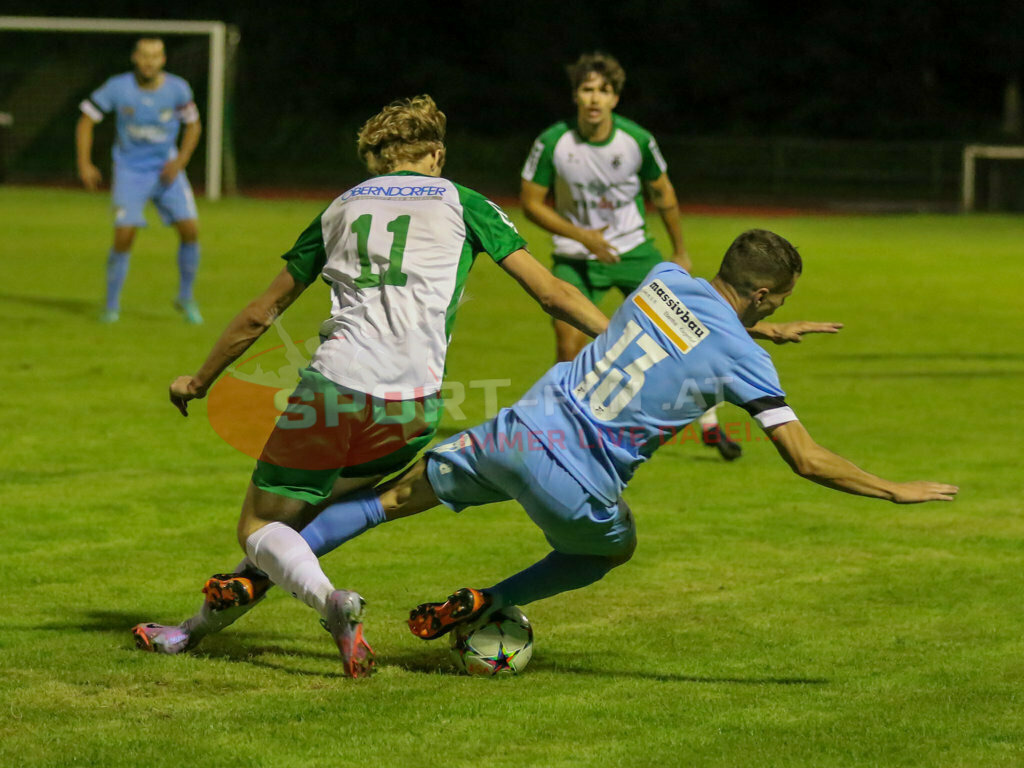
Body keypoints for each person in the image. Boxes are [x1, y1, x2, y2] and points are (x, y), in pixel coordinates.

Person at [139, 229, 957, 666]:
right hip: (573, 482)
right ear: (771, 295)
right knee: (612, 548)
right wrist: (894, 489)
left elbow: (687, 330)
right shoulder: (747, 356)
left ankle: (234, 594)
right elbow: (806, 459)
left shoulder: (666, 281)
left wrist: (757, 328)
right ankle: (485, 603)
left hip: (507, 433)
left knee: (378, 503)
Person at [131, 95, 609, 677]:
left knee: (260, 528)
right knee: (302, 527)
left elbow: (263, 311)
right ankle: (192, 630)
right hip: (413, 410)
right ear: (435, 153)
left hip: (335, 392)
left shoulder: (343, 205)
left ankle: (332, 605)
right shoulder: (466, 202)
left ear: (381, 160)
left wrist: (199, 379)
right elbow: (552, 294)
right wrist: (620, 334)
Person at [520, 52, 840, 461]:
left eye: (604, 90)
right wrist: (581, 235)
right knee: (569, 343)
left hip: (631, 249)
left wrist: (680, 250)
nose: (595, 99)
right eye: (587, 89)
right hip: (576, 255)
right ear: (575, 95)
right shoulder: (553, 142)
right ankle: (567, 430)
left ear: (616, 98)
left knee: (692, 327)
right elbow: (531, 204)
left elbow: (664, 194)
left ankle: (709, 425)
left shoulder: (635, 140)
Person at [76, 37, 203, 324]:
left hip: (167, 170)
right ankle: (110, 306)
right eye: (144, 56)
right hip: (130, 171)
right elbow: (86, 119)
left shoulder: (177, 88)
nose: (149, 61)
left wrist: (180, 161)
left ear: (163, 60)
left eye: (155, 56)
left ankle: (185, 298)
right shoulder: (117, 87)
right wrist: (84, 163)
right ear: (135, 57)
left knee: (190, 230)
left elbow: (193, 125)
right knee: (124, 236)